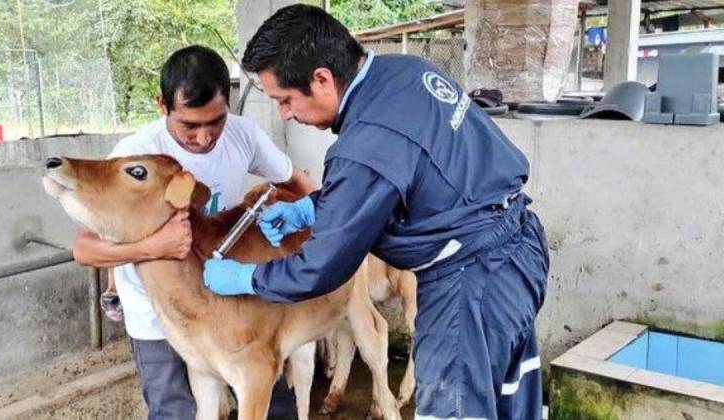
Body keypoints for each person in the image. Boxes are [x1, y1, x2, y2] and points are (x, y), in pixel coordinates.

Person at [202, 5, 550, 420]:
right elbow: (404, 177)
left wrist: (247, 277)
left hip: (471, 284)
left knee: (455, 411)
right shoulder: (406, 72)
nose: (285, 113)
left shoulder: (364, 147)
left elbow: (321, 266)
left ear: (322, 79)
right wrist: (311, 208)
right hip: (519, 247)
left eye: (285, 99)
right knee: (509, 399)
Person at [73, 45, 315, 420]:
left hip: (229, 299)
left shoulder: (243, 135)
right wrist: (154, 246)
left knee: (270, 397)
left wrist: (324, 213)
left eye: (215, 122)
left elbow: (296, 180)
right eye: (189, 125)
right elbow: (85, 249)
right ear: (162, 105)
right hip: (160, 314)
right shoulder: (137, 157)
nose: (204, 138)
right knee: (174, 408)